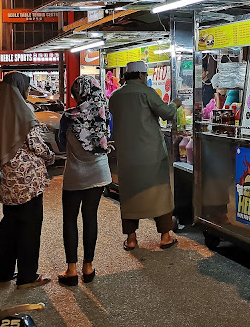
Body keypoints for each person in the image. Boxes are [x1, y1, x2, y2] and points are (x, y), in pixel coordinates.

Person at [0, 72, 55, 289]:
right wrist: (50, 156)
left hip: (7, 179)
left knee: (9, 224)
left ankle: (2, 272)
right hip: (28, 182)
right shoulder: (24, 109)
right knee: (30, 226)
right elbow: (36, 144)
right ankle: (27, 275)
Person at [109, 61, 182, 251]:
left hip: (127, 157)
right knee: (159, 195)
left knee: (130, 197)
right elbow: (166, 113)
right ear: (142, 76)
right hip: (151, 156)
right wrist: (175, 104)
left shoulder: (115, 96)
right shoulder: (146, 91)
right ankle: (165, 237)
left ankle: (131, 239)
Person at [57, 75, 112, 286]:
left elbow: (62, 146)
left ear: (78, 94)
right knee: (90, 218)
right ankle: (88, 267)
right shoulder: (103, 112)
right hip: (99, 173)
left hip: (75, 174)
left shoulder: (68, 117)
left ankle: (71, 269)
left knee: (70, 219)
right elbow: (105, 140)